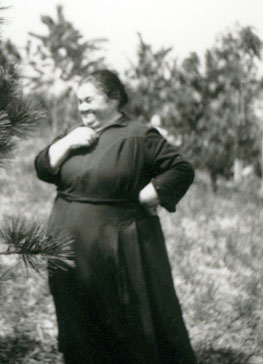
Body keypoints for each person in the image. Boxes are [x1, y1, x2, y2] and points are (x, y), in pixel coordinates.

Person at [34, 69, 196, 364]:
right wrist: (69, 141)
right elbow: (44, 167)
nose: (82, 108)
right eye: (79, 102)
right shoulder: (75, 133)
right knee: (76, 318)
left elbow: (181, 170)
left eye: (89, 100)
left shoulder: (139, 136)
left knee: (121, 321)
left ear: (113, 99)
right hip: (68, 248)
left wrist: (150, 194)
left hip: (114, 249)